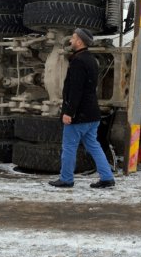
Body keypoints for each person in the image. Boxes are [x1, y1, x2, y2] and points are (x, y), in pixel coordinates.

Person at [49, 28, 116, 189]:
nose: (70, 41)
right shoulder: (91, 60)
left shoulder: (78, 61)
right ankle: (107, 177)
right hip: (92, 113)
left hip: (79, 115)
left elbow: (76, 90)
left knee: (69, 147)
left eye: (72, 38)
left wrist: (69, 112)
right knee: (94, 145)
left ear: (79, 41)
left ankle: (66, 179)